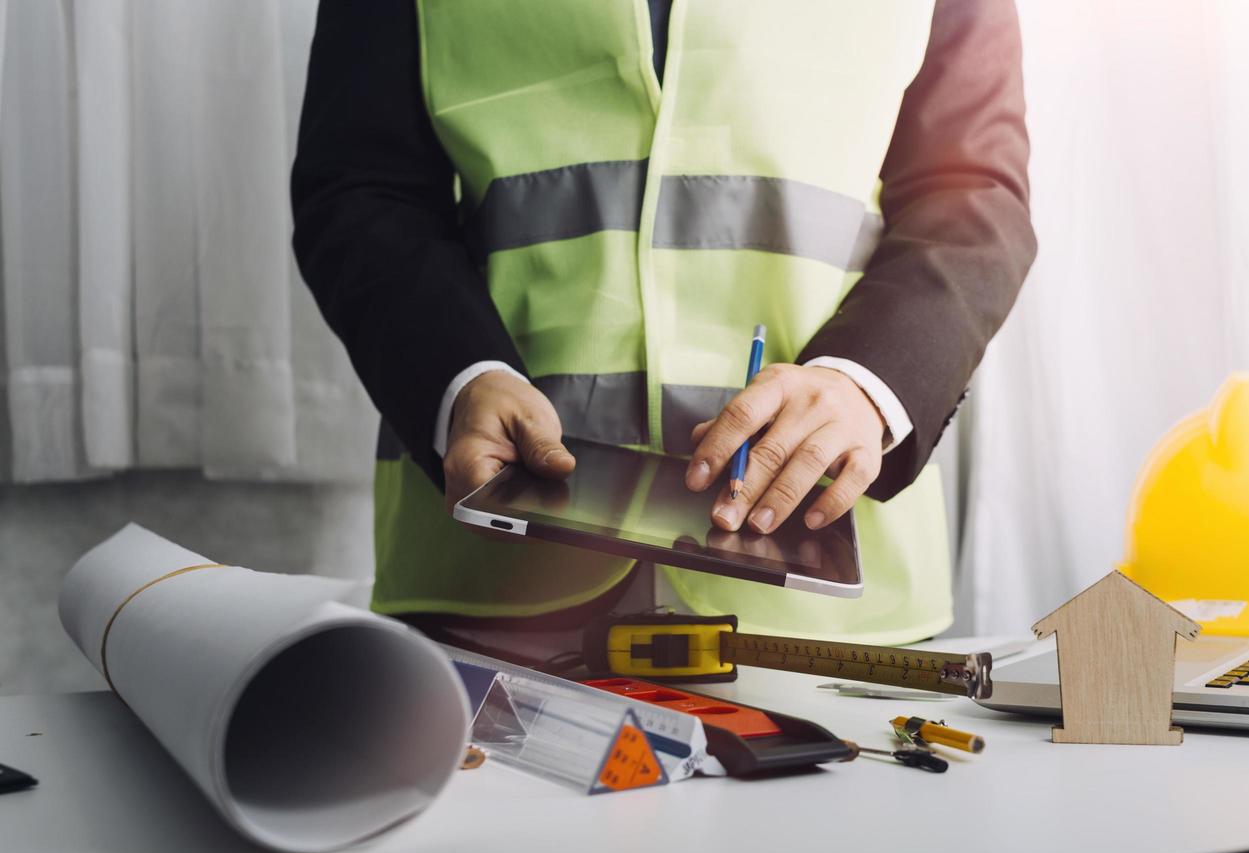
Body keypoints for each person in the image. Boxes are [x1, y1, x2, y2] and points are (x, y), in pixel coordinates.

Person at [291, 0, 1036, 647]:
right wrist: (457, 381)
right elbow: (360, 189)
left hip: (825, 592)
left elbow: (973, 193)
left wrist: (864, 386)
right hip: (491, 569)